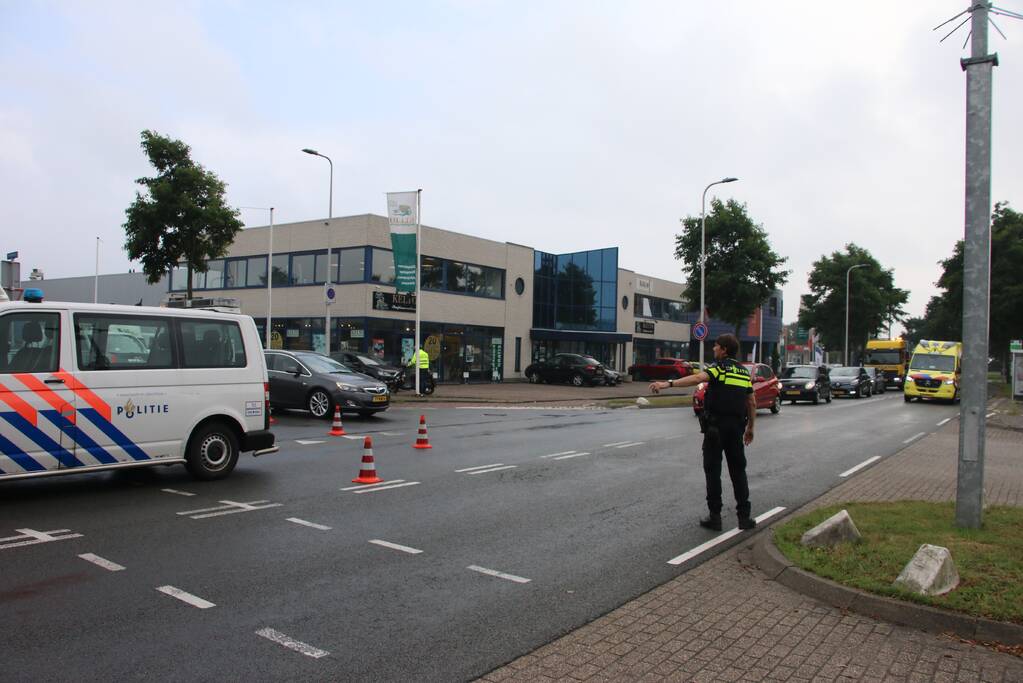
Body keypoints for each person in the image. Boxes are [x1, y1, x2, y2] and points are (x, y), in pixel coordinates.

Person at [650, 333, 756, 531]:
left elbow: (698, 377)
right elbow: (751, 401)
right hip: (736, 428)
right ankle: (744, 518)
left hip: (716, 428)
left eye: (716, 346)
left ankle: (715, 517)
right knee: (738, 471)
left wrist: (668, 384)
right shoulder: (743, 372)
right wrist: (750, 427)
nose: (713, 349)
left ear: (724, 349)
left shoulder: (719, 369)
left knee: (713, 471)